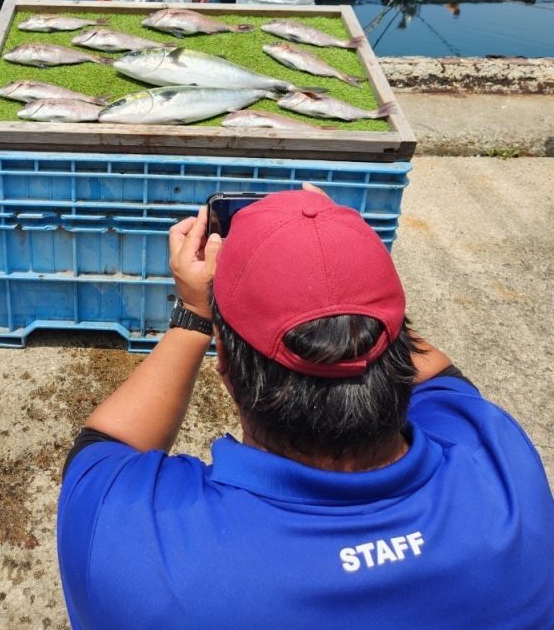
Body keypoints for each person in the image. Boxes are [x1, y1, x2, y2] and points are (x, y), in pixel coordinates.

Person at [57, 189, 554, 630]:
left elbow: (100, 449)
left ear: (225, 365)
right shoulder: (504, 469)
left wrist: (193, 315)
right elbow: (439, 376)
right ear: (395, 342)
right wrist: (343, 256)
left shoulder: (135, 556)